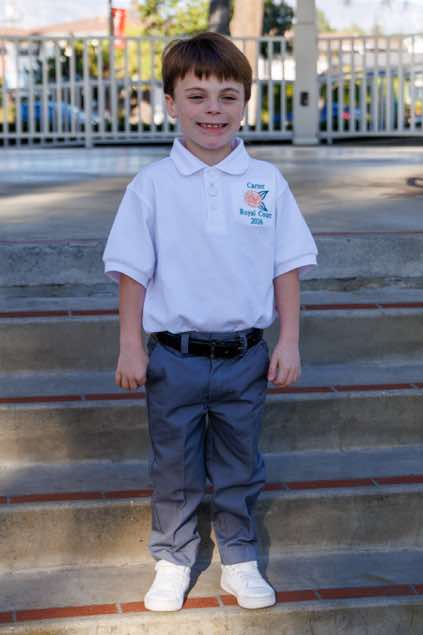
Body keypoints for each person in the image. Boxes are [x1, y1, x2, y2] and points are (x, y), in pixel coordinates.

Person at [102, 31, 318, 612]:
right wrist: (130, 346)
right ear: (171, 103)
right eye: (197, 96)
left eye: (228, 96)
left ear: (245, 102)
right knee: (174, 463)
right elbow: (132, 272)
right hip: (174, 356)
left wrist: (289, 341)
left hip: (246, 356)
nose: (213, 109)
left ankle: (240, 559)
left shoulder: (266, 182)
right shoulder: (151, 186)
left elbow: (287, 266)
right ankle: (173, 559)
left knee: (240, 462)